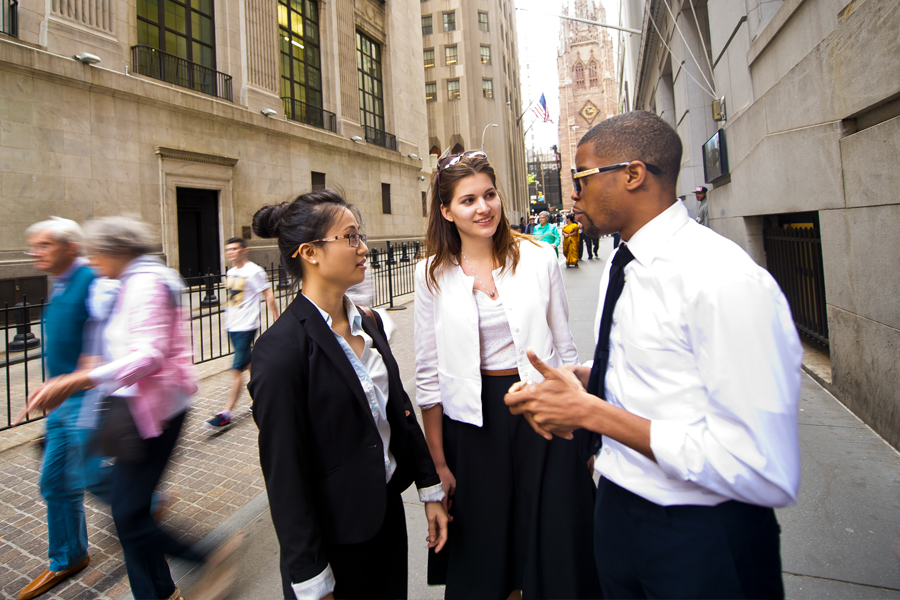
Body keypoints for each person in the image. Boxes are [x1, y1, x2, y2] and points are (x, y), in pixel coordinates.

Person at [505, 111, 803, 599]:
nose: (573, 194)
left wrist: (594, 414)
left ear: (633, 173)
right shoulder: (622, 265)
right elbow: (655, 376)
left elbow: (763, 467)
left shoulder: (724, 280)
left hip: (701, 538)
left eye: (580, 177)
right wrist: (582, 381)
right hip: (618, 513)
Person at [19, 216, 239, 600]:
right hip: (131, 409)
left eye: (95, 253)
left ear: (114, 251)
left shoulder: (146, 283)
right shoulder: (121, 283)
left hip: (155, 412)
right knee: (128, 512)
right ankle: (167, 585)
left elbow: (149, 354)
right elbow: (104, 338)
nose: (91, 261)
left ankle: (204, 558)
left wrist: (79, 380)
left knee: (128, 513)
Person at [415, 150, 601, 599]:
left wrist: (580, 429)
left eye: (490, 195)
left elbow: (565, 346)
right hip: (475, 424)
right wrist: (438, 464)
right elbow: (427, 375)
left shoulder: (539, 257)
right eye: (468, 200)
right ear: (445, 210)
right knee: (488, 547)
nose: (484, 208)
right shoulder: (431, 274)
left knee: (554, 538)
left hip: (544, 412)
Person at [247, 190, 449, 600]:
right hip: (335, 538)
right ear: (310, 253)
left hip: (386, 517)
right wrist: (311, 577)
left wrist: (430, 492)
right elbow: (285, 475)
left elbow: (399, 413)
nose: (364, 247)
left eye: (360, 235)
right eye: (351, 237)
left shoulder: (368, 322)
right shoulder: (280, 352)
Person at [16, 218, 103, 600]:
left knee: (92, 479)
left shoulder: (92, 281)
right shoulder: (61, 282)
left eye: (45, 245)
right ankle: (70, 554)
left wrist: (73, 383)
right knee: (59, 481)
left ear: (70, 246)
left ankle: (147, 507)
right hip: (61, 405)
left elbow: (104, 342)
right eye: (33, 246)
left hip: (85, 400)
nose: (36, 252)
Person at [206, 237, 279, 429]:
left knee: (236, 369)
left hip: (246, 326)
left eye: (234, 249)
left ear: (244, 250)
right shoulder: (231, 272)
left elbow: (268, 294)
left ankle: (226, 413)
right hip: (233, 325)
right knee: (248, 364)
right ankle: (264, 396)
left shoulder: (254, 271)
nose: (230, 252)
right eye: (228, 249)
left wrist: (277, 319)